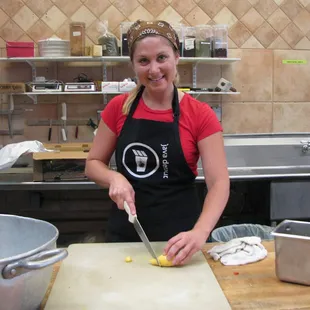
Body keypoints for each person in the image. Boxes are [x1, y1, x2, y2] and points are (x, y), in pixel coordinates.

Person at [85, 20, 230, 266]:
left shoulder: (200, 114)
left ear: (176, 57)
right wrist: (114, 178)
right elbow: (93, 163)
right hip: (125, 237)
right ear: (133, 65)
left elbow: (219, 182)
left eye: (161, 57)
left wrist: (200, 233)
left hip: (180, 240)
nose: (154, 69)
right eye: (143, 61)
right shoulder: (118, 108)